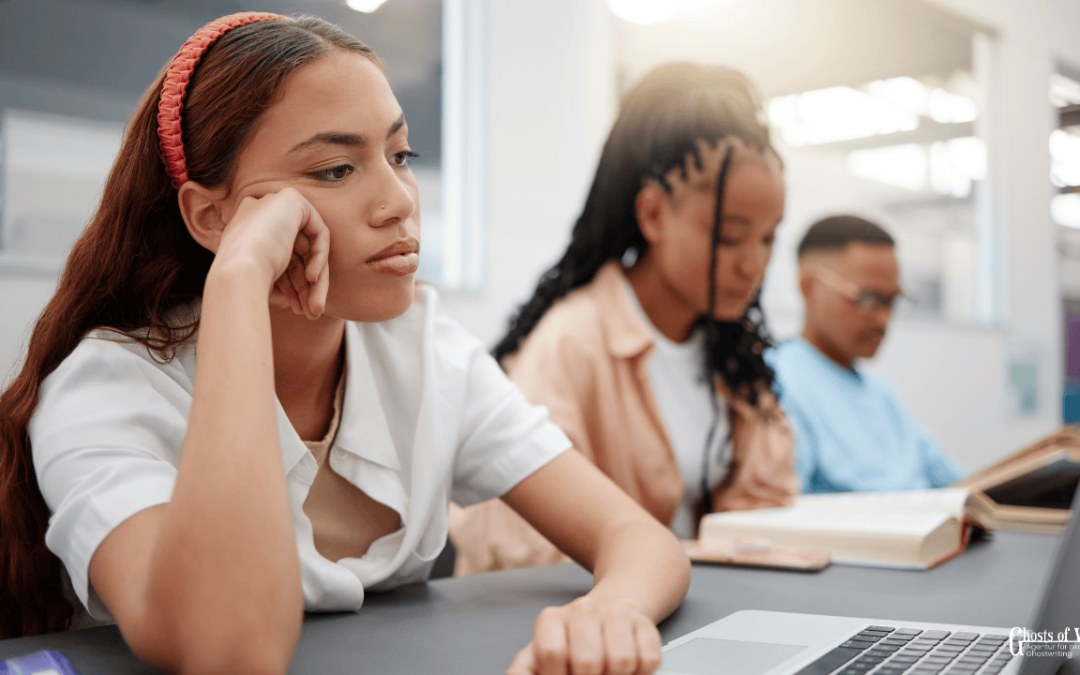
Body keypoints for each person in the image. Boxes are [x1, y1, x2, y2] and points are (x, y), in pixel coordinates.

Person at [0, 13, 690, 675]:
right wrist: (238, 280)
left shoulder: (420, 346)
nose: (398, 202)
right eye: (335, 169)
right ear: (211, 216)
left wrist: (610, 610)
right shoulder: (105, 387)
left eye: (400, 155)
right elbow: (228, 650)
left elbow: (639, 539)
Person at [450, 64, 799, 576]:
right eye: (729, 236)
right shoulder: (573, 342)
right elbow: (523, 550)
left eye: (768, 238)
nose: (753, 264)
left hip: (694, 609)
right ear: (654, 214)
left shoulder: (730, 357)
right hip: (589, 626)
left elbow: (768, 509)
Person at [767, 215, 965, 494]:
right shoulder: (777, 384)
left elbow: (961, 485)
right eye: (869, 300)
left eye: (892, 301)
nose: (884, 320)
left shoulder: (883, 397)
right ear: (809, 287)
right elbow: (780, 510)